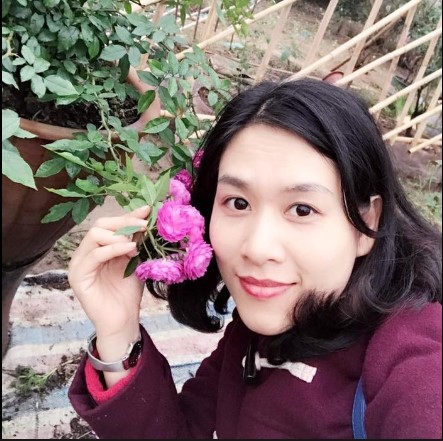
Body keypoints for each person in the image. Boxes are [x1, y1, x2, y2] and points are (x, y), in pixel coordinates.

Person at [68, 78, 442, 439]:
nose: (257, 248)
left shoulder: (413, 358)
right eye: (238, 202)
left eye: (302, 209)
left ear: (366, 225)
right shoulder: (250, 333)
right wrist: (118, 331)